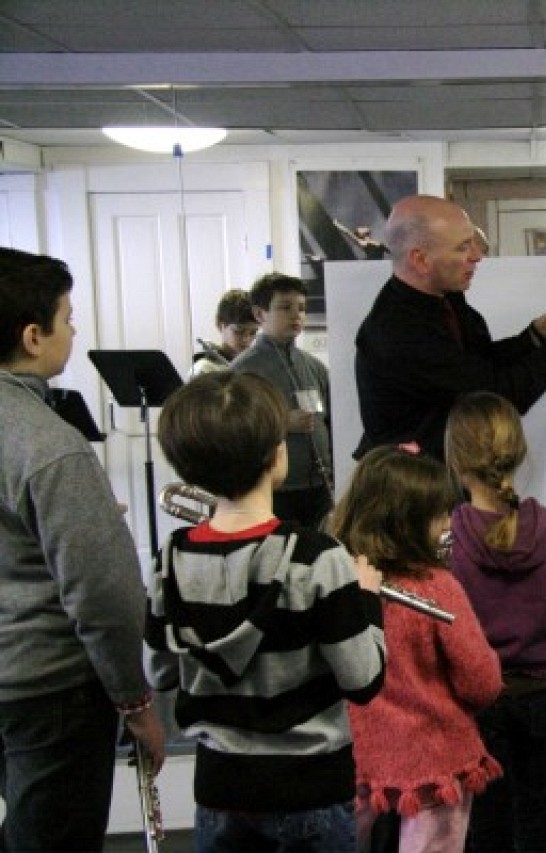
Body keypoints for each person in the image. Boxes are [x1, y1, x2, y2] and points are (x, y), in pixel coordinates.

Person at [147, 370, 386, 851]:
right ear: (277, 457)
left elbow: (159, 671)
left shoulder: (172, 557)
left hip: (220, 792)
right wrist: (366, 598)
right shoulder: (319, 556)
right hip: (312, 791)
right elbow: (363, 680)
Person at [0, 247, 166, 851]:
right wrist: (134, 699)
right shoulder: (50, 445)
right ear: (32, 335)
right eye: (68, 318)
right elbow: (102, 594)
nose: (74, 331)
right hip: (50, 692)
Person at [330, 444, 504, 853]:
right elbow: (482, 682)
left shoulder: (332, 580)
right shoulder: (438, 587)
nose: (447, 524)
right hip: (434, 763)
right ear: (407, 523)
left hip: (352, 753)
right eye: (439, 515)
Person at [354, 194, 546, 461]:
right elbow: (497, 396)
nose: (477, 256)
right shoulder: (397, 331)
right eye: (463, 247)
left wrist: (538, 332)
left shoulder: (445, 298)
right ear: (420, 260)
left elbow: (479, 364)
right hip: (414, 488)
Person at [446, 391, 546, 853]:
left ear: (457, 461)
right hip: (539, 692)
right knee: (535, 806)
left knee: (486, 818)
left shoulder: (449, 541)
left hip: (477, 697)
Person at [232, 272, 333, 527]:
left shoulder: (315, 367)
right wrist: (282, 423)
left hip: (320, 485)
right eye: (285, 308)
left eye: (301, 308)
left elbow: (332, 422)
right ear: (259, 314)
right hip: (274, 490)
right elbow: (232, 430)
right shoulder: (243, 370)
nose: (296, 315)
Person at [189, 287, 257, 379]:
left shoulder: (256, 365)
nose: (247, 339)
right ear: (220, 325)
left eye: (253, 332)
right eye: (239, 331)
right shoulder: (204, 370)